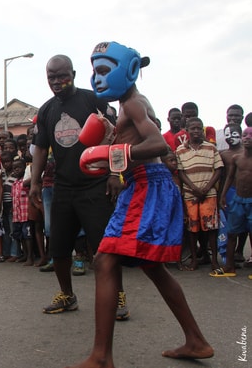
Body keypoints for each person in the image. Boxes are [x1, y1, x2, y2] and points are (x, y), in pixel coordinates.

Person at [68, 41, 213, 368]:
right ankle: (197, 340)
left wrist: (114, 152)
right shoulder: (125, 107)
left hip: (149, 185)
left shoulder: (134, 103)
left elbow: (157, 144)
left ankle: (102, 357)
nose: (97, 78)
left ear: (128, 70)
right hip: (142, 184)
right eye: (95, 71)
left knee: (105, 261)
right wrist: (109, 142)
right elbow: (128, 151)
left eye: (104, 70)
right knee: (152, 266)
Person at [28, 54, 126, 317]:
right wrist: (35, 182)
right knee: (58, 247)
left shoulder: (93, 100)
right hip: (63, 187)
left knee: (104, 247)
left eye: (62, 75)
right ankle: (67, 295)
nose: (57, 81)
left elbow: (116, 137)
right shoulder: (47, 110)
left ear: (73, 73)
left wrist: (115, 174)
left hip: (95, 185)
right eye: (52, 77)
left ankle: (117, 297)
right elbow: (40, 148)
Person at [176, 117, 223, 273]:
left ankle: (214, 261)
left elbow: (218, 170)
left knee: (211, 229)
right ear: (187, 131)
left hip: (209, 194)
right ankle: (195, 260)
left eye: (199, 128)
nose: (196, 131)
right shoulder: (180, 150)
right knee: (192, 229)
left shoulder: (211, 148)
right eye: (193, 128)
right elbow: (181, 173)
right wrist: (194, 189)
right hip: (191, 195)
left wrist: (206, 188)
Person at [220, 126, 252, 277]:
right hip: (238, 200)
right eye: (245, 135)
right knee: (232, 233)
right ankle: (229, 267)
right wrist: (223, 195)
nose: (247, 138)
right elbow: (230, 177)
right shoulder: (236, 158)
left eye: (251, 135)